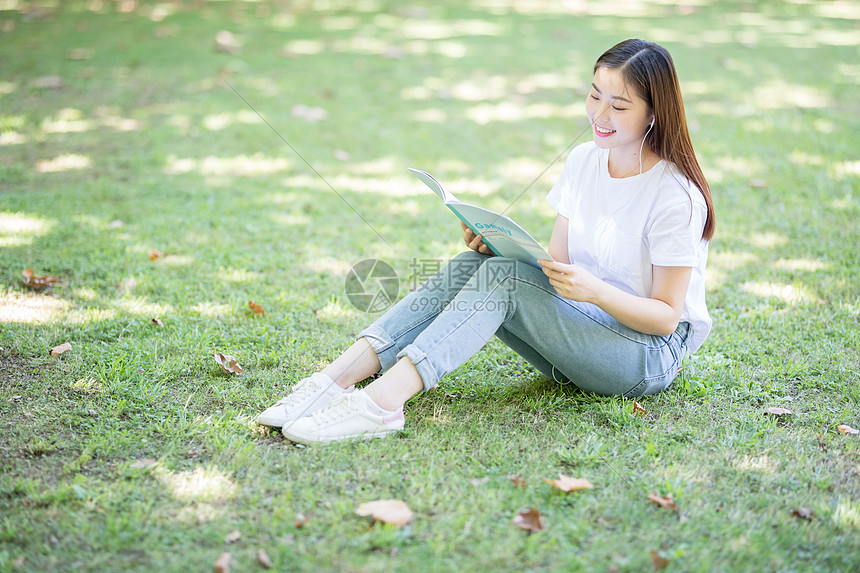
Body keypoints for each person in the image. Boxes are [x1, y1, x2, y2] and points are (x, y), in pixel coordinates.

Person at [256, 39, 716, 445]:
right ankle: (333, 382)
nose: (599, 114)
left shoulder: (675, 196)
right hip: (585, 332)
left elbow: (664, 319)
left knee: (505, 281)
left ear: (655, 112)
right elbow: (554, 265)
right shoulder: (584, 161)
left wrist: (593, 289)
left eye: (619, 106)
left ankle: (382, 403)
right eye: (595, 96)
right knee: (474, 265)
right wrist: (499, 245)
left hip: (647, 356)